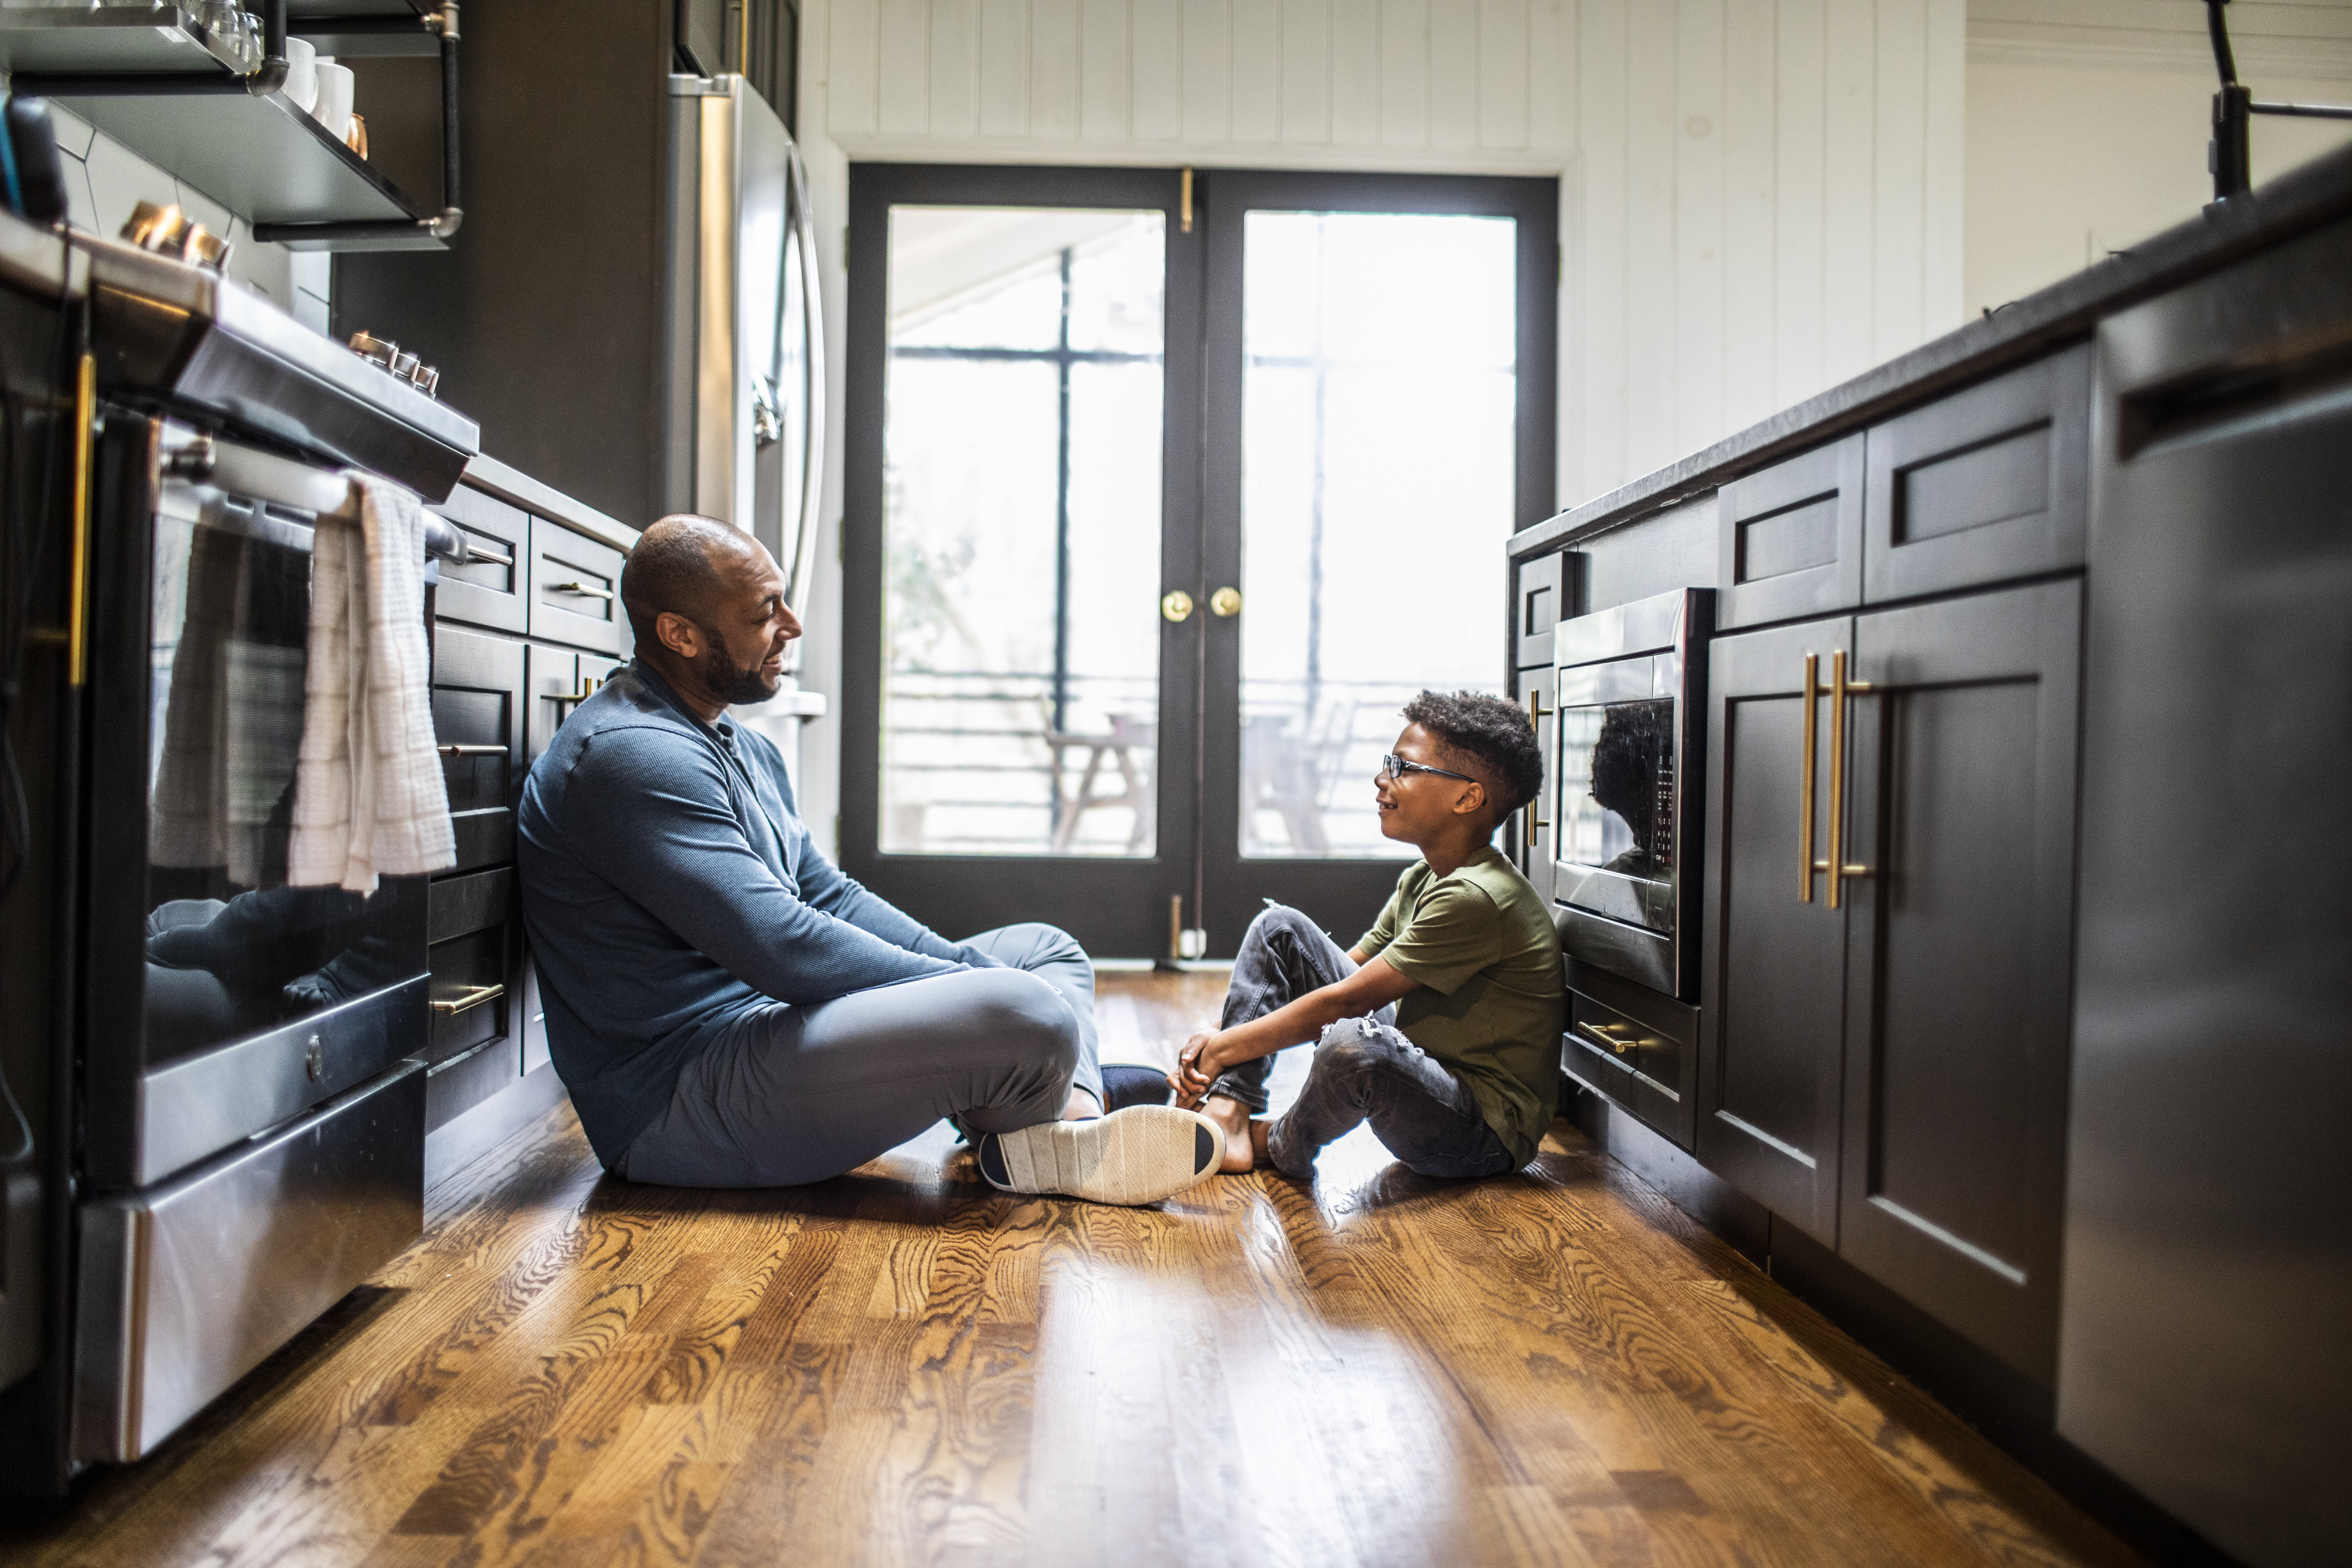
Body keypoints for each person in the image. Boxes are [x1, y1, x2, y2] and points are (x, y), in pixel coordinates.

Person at [517, 516, 1222, 1206]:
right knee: (1028, 1008)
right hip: (683, 1100)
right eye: (766, 612)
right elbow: (785, 948)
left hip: (771, 1029)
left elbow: (828, 895)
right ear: (679, 633)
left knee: (1045, 950)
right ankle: (1056, 1098)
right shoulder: (629, 754)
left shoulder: (739, 743)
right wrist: (969, 986)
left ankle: (1063, 1124)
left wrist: (963, 977)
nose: (791, 625)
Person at [1171, 692, 1565, 1182]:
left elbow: (1345, 1002)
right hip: (1425, 1070)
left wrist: (1223, 1047)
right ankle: (1229, 1112)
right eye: (1388, 763)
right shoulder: (1425, 877)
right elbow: (1332, 975)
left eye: (1403, 767)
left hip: (1477, 1134)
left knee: (1355, 1043)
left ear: (1468, 797)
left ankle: (1277, 1141)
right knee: (1280, 931)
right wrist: (1224, 1037)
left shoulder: (1479, 897)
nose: (1382, 779)